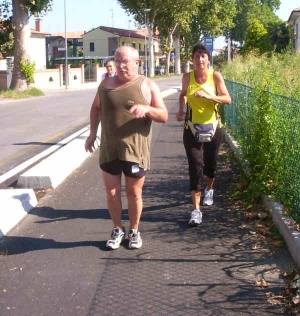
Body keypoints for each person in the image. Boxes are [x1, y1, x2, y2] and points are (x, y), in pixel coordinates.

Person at [85, 46, 168, 250]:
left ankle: (134, 231)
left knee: (133, 193)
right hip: (110, 150)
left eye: (125, 61)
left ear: (137, 63)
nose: (120, 65)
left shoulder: (146, 85)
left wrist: (147, 109)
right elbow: (96, 108)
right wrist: (92, 133)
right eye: (117, 61)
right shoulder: (105, 86)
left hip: (135, 151)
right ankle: (117, 228)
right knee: (112, 193)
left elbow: (163, 115)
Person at [176, 42, 231, 227]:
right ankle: (196, 210)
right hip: (191, 127)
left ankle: (210, 188)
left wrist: (210, 97)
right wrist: (180, 109)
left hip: (213, 127)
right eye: (196, 56)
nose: (199, 59)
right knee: (195, 166)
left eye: (203, 56)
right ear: (192, 59)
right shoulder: (187, 77)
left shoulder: (215, 76)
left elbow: (227, 99)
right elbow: (183, 94)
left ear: (208, 59)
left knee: (210, 163)